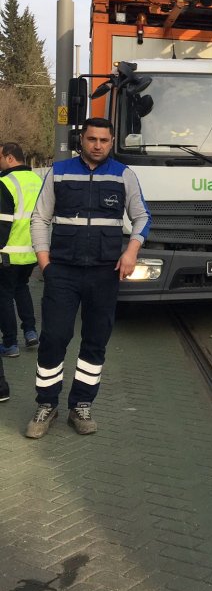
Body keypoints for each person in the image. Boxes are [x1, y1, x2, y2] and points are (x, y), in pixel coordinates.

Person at [26, 117, 151, 439]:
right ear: (82, 139)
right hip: (62, 272)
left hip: (104, 272)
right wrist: (45, 262)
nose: (97, 145)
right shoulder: (60, 171)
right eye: (92, 139)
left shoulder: (124, 175)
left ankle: (81, 404)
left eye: (104, 140)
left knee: (95, 341)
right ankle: (46, 404)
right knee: (54, 337)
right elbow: (40, 217)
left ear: (112, 142)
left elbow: (142, 217)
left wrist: (131, 251)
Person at [0, 142, 43, 362]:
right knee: (22, 288)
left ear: (9, 158)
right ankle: (30, 332)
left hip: (8, 253)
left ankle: (9, 343)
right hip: (32, 252)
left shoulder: (5, 183)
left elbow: (3, 223)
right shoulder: (37, 181)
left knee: (4, 297)